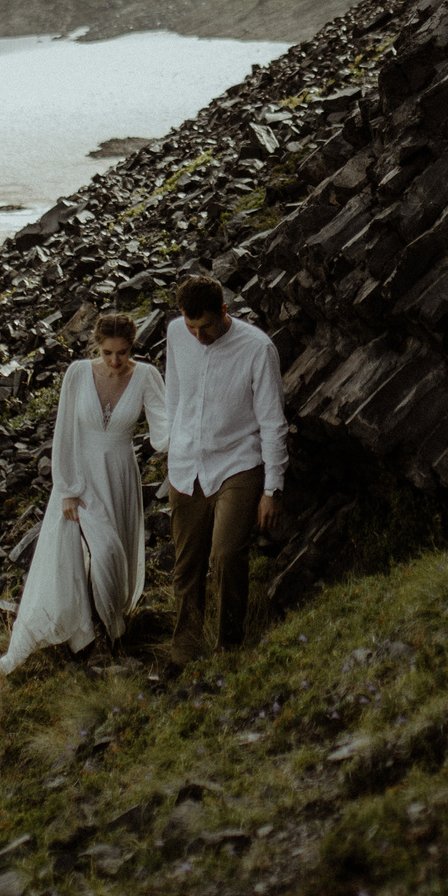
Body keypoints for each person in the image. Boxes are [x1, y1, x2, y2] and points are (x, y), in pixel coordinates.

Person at [0, 313, 167, 674]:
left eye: (122, 353)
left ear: (132, 347)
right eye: (107, 353)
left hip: (119, 476)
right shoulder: (77, 374)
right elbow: (65, 432)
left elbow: (163, 430)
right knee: (95, 552)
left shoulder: (147, 376)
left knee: (114, 553)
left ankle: (109, 632)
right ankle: (91, 637)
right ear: (97, 345)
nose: (115, 361)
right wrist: (68, 488)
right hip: (80, 477)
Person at [161, 275, 287, 659]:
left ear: (224, 311)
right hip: (186, 465)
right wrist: (172, 447)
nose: (198, 336)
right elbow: (174, 396)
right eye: (191, 327)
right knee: (187, 566)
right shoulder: (176, 333)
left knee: (227, 555)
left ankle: (228, 647)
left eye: (206, 327)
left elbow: (272, 422)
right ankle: (184, 650)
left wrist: (272, 489)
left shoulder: (257, 349)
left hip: (237, 462)